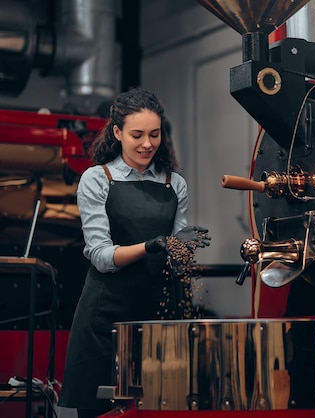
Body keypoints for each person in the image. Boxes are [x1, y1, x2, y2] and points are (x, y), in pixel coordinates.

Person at [58, 87, 210, 418]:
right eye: (137, 135)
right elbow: (100, 255)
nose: (147, 144)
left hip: (157, 312)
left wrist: (181, 246)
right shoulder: (98, 179)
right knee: (99, 411)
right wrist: (152, 245)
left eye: (154, 134)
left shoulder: (174, 183)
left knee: (158, 408)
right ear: (117, 132)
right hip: (106, 315)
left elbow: (174, 245)